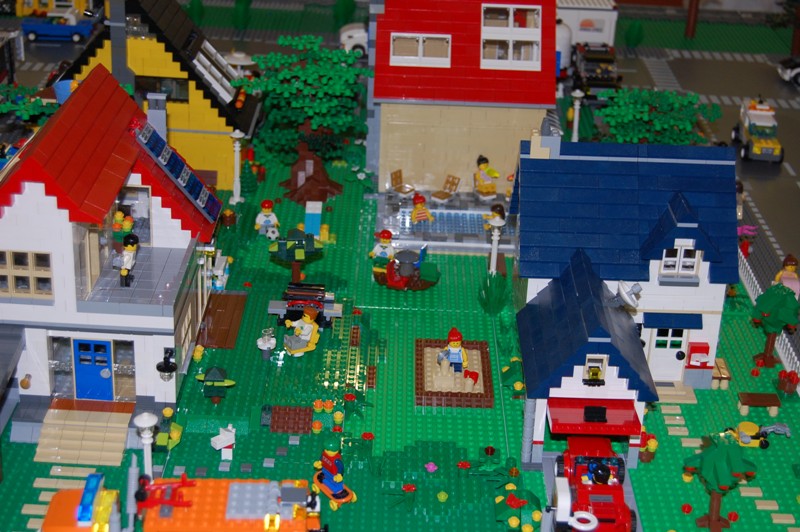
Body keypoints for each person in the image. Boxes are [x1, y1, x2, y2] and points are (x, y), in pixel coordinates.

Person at [314, 434, 347, 498]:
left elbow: (341, 467)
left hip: (333, 474)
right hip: (324, 469)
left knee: (335, 483)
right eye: (326, 449)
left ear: (337, 451)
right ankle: (325, 482)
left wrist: (339, 474)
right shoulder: (324, 453)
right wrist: (319, 463)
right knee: (326, 478)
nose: (327, 451)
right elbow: (322, 458)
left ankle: (338, 490)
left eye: (330, 450)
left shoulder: (336, 460)